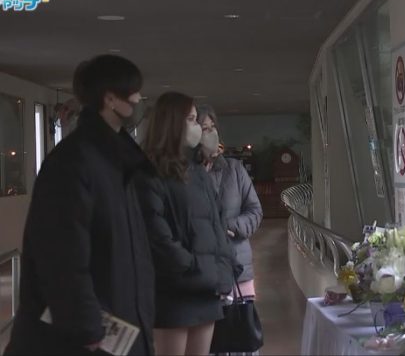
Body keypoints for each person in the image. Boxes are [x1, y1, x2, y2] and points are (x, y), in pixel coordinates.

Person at [4, 55, 156, 355]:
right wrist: (87, 327)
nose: (138, 99)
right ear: (109, 98)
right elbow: (62, 256)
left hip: (115, 328)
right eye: (133, 92)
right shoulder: (74, 162)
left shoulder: (118, 161)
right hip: (79, 340)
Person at [135, 93, 238, 356]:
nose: (197, 128)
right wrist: (191, 266)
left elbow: (217, 225)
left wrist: (225, 269)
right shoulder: (148, 174)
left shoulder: (197, 171)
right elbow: (156, 235)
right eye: (191, 120)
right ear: (172, 123)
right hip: (174, 291)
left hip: (206, 290)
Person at [197, 105, 263, 301]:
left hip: (238, 266)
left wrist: (231, 226)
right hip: (202, 270)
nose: (211, 133)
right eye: (204, 128)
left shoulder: (234, 169)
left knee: (241, 318)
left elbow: (255, 210)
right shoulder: (187, 174)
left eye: (213, 127)